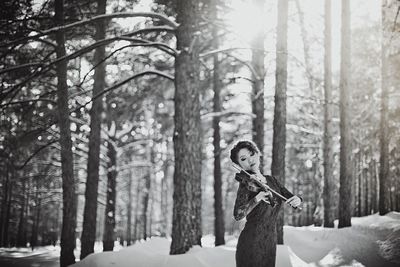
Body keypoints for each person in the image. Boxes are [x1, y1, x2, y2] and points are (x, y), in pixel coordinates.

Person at [230, 140, 301, 267]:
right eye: (243, 159)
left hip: (270, 242)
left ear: (258, 153)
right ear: (239, 165)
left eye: (251, 154)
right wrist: (257, 198)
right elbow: (238, 215)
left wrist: (298, 199)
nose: (250, 160)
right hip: (251, 242)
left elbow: (290, 198)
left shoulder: (272, 180)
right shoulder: (245, 184)